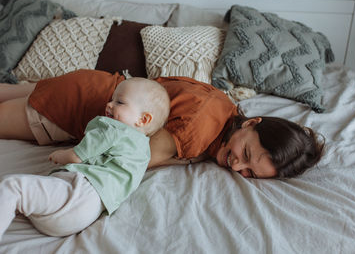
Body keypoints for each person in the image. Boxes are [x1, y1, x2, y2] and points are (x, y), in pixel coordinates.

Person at [0, 69, 324, 180]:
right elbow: (129, 160)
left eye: (251, 174)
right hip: (71, 109)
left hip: (89, 83)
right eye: (248, 154)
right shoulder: (197, 132)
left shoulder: (225, 108)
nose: (238, 167)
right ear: (251, 123)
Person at [0, 77, 170, 239]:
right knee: (22, 198)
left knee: (12, 187)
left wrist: (60, 155)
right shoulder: (144, 152)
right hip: (86, 215)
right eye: (112, 99)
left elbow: (75, 157)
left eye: (119, 102)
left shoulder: (113, 129)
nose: (109, 104)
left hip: (78, 192)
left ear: (143, 119)